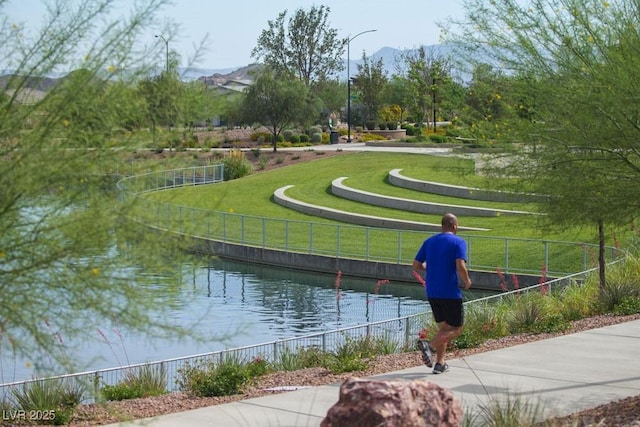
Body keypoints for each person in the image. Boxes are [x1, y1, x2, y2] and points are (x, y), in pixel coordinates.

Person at [412, 213, 472, 374]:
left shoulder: (430, 242)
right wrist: (467, 281)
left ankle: (440, 364)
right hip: (450, 292)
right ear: (454, 226)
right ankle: (429, 346)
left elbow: (416, 264)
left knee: (444, 329)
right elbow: (460, 264)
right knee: (457, 329)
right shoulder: (458, 242)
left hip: (432, 291)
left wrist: (429, 268)